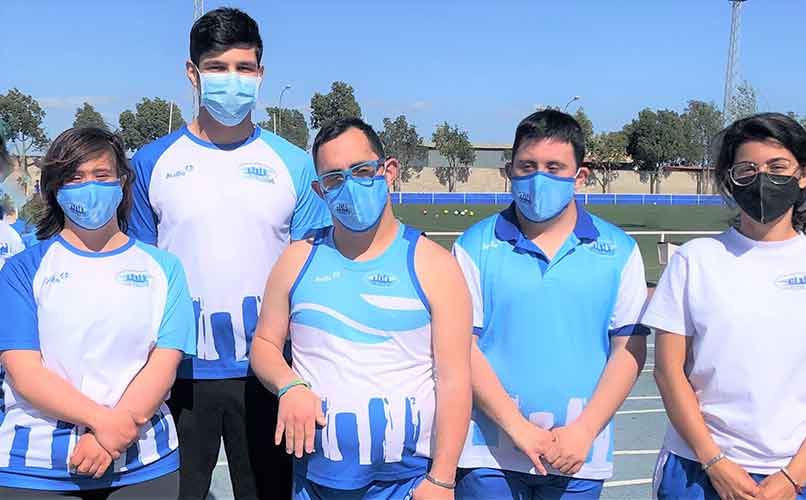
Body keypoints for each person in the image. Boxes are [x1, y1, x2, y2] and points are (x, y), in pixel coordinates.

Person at [127, 8, 331, 499]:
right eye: (217, 68)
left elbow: (311, 267)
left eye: (244, 68)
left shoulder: (293, 163)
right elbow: (138, 269)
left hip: (268, 371)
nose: (231, 80)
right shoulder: (152, 162)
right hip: (178, 373)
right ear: (192, 73)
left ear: (261, 75)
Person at [250, 117, 472, 500]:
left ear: (388, 172)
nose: (349, 186)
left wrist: (442, 479)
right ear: (320, 191)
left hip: (407, 485)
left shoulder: (435, 265)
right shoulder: (296, 260)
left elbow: (454, 379)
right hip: (316, 483)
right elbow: (265, 345)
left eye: (362, 171)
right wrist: (289, 385)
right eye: (335, 178)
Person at [645, 113, 806, 499]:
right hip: (698, 470)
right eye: (747, 169)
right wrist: (714, 461)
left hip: (801, 474)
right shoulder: (695, 259)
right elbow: (667, 371)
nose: (762, 179)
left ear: (804, 174)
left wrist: (794, 477)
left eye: (778, 167)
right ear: (731, 180)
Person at [453, 109, 650, 499]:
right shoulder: (474, 246)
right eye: (527, 166)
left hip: (577, 455)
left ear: (580, 176)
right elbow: (462, 348)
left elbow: (629, 349)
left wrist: (584, 430)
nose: (538, 178)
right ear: (510, 170)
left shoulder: (619, 251)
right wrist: (518, 427)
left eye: (554, 167)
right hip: (488, 456)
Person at [0, 127, 196, 498]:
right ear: (54, 189)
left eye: (101, 175)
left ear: (122, 183)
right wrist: (101, 422)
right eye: (74, 177)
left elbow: (163, 365)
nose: (89, 186)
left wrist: (111, 438)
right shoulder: (23, 270)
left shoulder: (164, 268)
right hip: (36, 469)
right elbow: (24, 373)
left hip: (143, 465)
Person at [0, 204, 25, 268]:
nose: (15, 221)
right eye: (14, 218)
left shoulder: (9, 232)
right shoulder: (11, 232)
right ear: (7, 216)